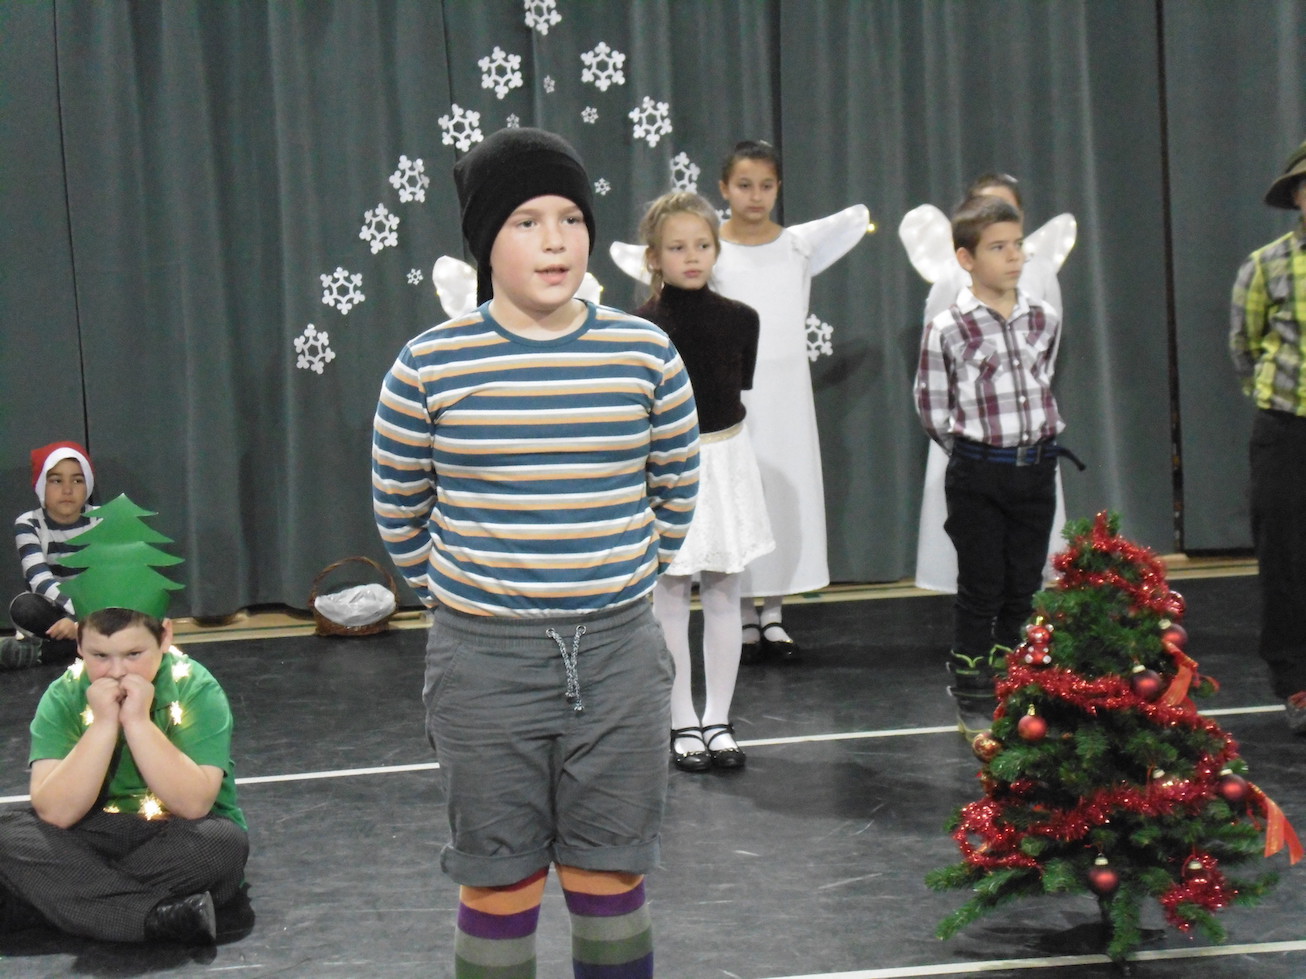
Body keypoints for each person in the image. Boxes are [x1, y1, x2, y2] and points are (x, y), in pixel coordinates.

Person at [372, 127, 699, 978]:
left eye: (570, 218)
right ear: (485, 241)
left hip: (620, 659)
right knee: (498, 881)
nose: (555, 241)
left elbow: (675, 487)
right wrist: (468, 603)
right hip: (484, 665)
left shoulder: (645, 352)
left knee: (610, 875)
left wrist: (621, 581)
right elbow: (400, 507)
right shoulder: (429, 366)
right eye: (526, 221)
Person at [0, 498, 247, 945]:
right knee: (8, 836)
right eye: (100, 655)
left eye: (134, 654)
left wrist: (137, 722)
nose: (116, 671)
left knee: (223, 846)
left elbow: (194, 804)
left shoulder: (196, 687)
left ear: (165, 636)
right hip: (95, 830)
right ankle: (153, 917)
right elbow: (55, 812)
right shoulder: (64, 695)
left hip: (176, 833)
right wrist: (102, 725)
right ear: (78, 644)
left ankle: (57, 902)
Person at [630, 191, 775, 773]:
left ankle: (718, 718)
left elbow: (738, 388)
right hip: (669, 464)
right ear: (653, 257)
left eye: (702, 245)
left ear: (716, 249)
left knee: (722, 593)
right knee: (669, 597)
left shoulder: (742, 319)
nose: (691, 257)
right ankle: (680, 719)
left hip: (727, 460)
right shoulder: (639, 329)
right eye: (676, 247)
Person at [711, 139, 869, 664]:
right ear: (724, 188)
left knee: (783, 493)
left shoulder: (796, 246)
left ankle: (774, 613)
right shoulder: (710, 247)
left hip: (787, 397)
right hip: (734, 394)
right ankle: (738, 612)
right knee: (740, 493)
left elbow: (851, 220)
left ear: (778, 188)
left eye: (766, 185)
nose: (755, 196)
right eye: (744, 185)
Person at [914, 195, 1068, 736]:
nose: (1014, 256)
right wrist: (974, 452)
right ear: (966, 258)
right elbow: (932, 406)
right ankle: (971, 683)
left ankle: (1014, 676)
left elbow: (1042, 379)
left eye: (1017, 245)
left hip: (1036, 467)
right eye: (998, 248)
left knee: (1024, 581)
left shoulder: (1043, 318)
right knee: (982, 583)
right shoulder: (948, 327)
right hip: (979, 471)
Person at [900, 173, 1078, 594]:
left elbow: (1047, 353)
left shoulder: (1040, 274)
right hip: (973, 441)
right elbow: (935, 357)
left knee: (1025, 558)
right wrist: (964, 442)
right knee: (977, 554)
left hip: (1025, 441)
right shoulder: (951, 278)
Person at [1229, 137, 1306, 735]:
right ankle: (1297, 683)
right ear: (1297, 196)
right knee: (1285, 558)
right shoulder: (1266, 265)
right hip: (1287, 429)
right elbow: (1246, 346)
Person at [3, 441, 101, 670]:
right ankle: (95, 644)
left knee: (127, 610)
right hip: (55, 611)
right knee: (24, 607)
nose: (67, 490)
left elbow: (109, 580)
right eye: (56, 481)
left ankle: (45, 653)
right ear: (41, 486)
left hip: (97, 610)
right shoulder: (29, 523)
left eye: (77, 480)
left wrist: (80, 622)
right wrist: (75, 618)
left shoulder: (102, 519)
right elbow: (39, 580)